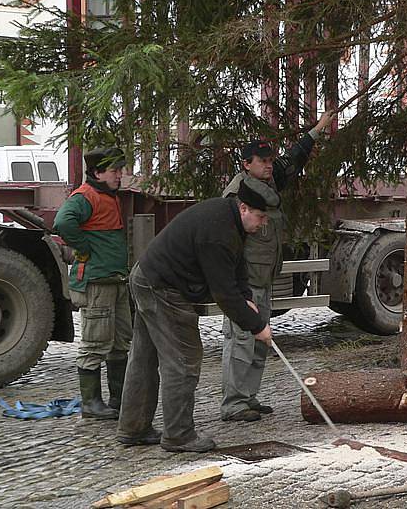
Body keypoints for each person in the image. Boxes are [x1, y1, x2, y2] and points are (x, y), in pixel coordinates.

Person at [116, 180, 275, 452]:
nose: (263, 224)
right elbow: (223, 292)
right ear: (244, 208)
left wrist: (247, 298)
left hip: (148, 277)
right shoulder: (219, 232)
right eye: (260, 217)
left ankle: (134, 428)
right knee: (184, 358)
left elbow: (236, 267)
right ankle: (179, 434)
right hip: (162, 286)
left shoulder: (231, 220)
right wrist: (257, 326)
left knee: (144, 357)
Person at [220, 109, 335, 421]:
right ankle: (233, 403)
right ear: (246, 164)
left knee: (259, 343)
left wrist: (319, 128)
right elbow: (228, 242)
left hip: (264, 279)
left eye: (270, 160)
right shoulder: (237, 194)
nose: (269, 165)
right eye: (262, 161)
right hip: (245, 282)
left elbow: (293, 158)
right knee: (241, 341)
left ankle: (249, 397)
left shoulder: (268, 185)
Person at [53, 147, 131, 420]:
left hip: (115, 280)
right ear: (98, 173)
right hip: (98, 282)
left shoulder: (108, 196)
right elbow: (62, 222)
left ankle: (118, 400)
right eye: (115, 171)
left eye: (120, 170)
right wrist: (84, 247)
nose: (120, 175)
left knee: (121, 342)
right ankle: (91, 403)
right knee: (95, 343)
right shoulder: (86, 196)